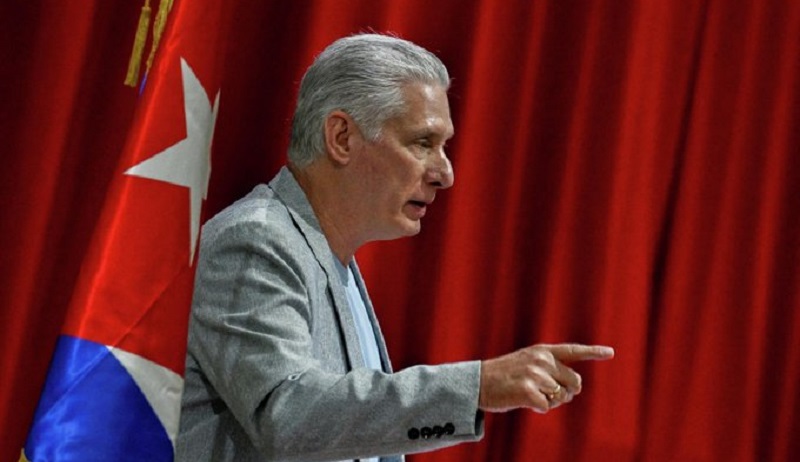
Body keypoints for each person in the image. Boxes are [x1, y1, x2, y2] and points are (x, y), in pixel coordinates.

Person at [176, 33, 614, 462]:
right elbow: (287, 413)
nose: (445, 174)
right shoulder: (255, 241)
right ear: (342, 138)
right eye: (423, 143)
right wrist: (476, 387)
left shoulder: (332, 259)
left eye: (443, 147)